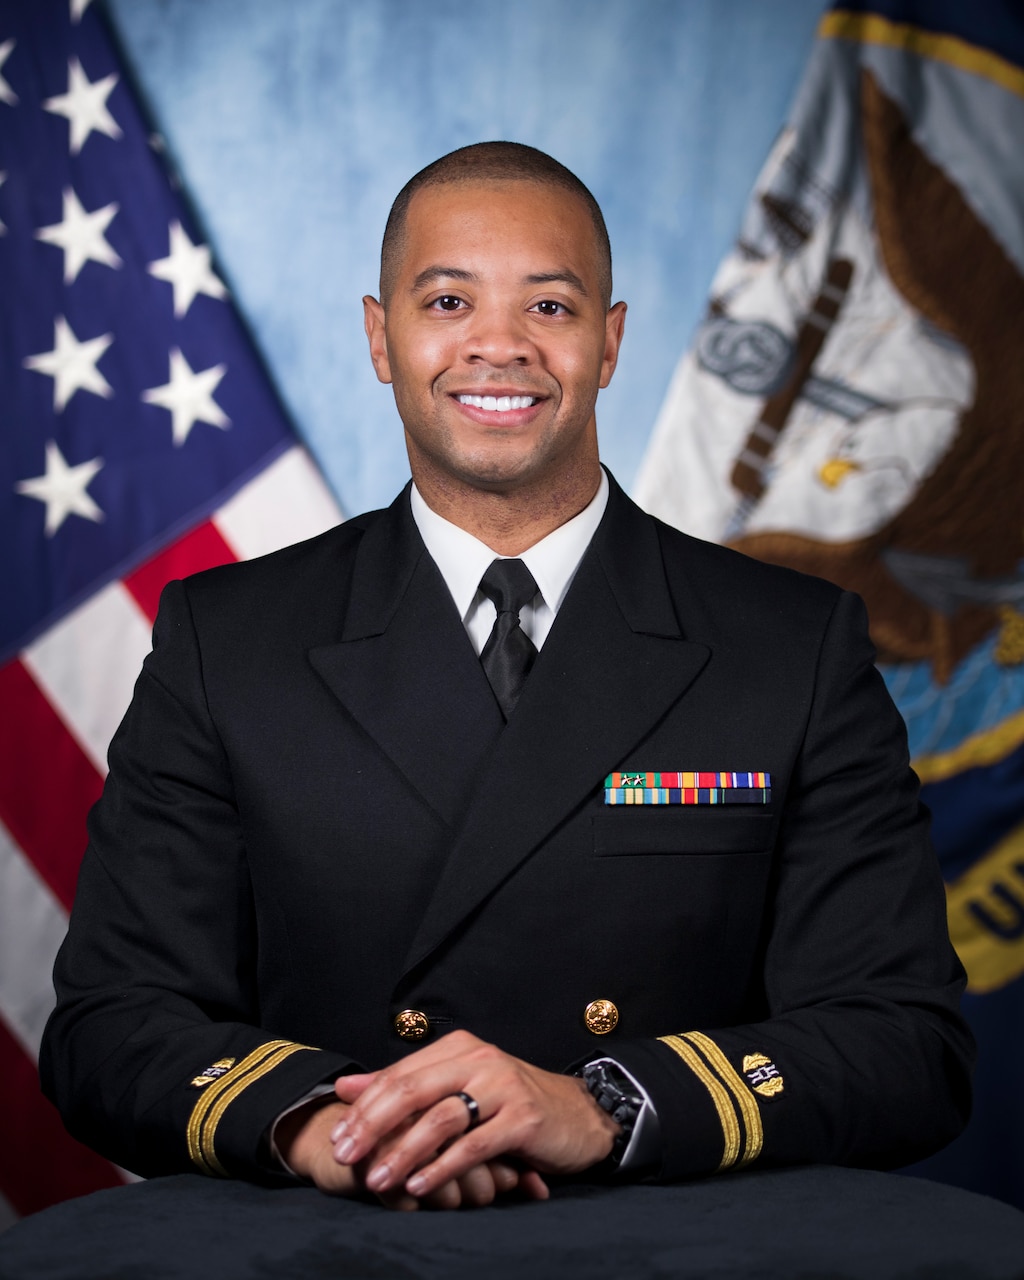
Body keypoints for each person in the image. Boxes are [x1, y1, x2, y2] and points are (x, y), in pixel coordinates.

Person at [41, 142, 973, 1211]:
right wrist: (326, 1125)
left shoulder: (792, 644)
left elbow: (906, 1040)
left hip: (668, 1246)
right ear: (379, 336)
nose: (497, 345)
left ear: (609, 342)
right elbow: (112, 1020)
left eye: (549, 307)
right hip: (340, 1238)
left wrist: (608, 1103)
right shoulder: (227, 638)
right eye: (446, 299)